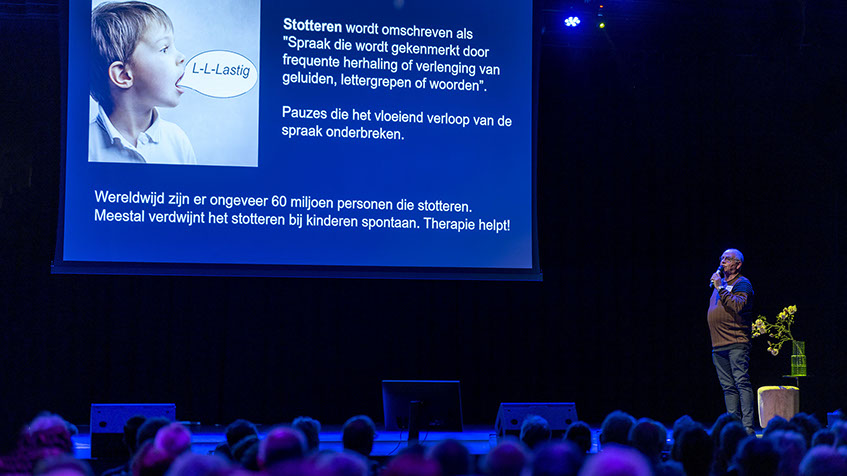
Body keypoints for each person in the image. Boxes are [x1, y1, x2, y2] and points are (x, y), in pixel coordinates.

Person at [89, 1, 196, 164]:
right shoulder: (85, 146)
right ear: (123, 75)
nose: (182, 57)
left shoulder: (178, 141)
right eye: (164, 49)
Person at [707, 248, 755, 435]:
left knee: (741, 382)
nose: (722, 262)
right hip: (718, 344)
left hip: (736, 342)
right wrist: (719, 286)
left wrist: (720, 288)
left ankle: (747, 427)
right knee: (728, 387)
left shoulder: (742, 283)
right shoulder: (719, 284)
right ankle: (733, 429)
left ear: (738, 264)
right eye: (722, 258)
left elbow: (737, 305)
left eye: (727, 259)